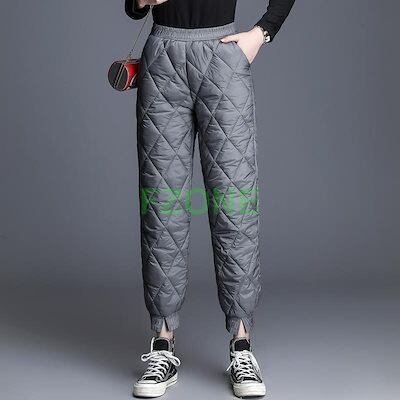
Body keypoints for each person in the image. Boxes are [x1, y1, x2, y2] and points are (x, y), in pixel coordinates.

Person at [124, 0, 295, 397]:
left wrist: (263, 32)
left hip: (223, 55)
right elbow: (133, 8)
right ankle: (162, 345)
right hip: (162, 59)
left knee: (234, 204)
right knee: (162, 206)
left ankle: (242, 345)